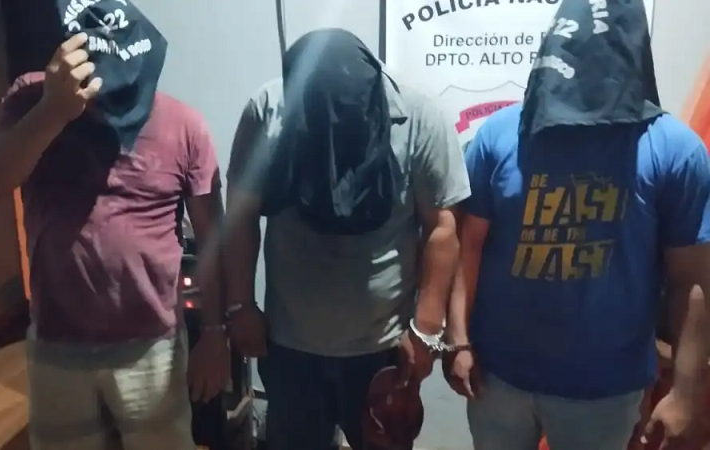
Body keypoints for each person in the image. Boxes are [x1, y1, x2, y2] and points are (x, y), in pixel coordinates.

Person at [444, 1, 710, 450]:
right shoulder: (502, 135)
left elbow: (693, 281)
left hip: (606, 390)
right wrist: (458, 341)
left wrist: (687, 393)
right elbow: (467, 245)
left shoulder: (673, 150)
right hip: (499, 379)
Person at [0, 2, 227, 449]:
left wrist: (216, 335)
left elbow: (213, 238)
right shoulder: (32, 98)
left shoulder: (183, 125)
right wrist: (53, 110)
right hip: (57, 345)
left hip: (151, 347)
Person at [222, 29, 470, 450]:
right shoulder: (271, 109)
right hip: (290, 345)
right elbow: (241, 215)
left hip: (385, 347)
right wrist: (239, 306)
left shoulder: (418, 117)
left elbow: (443, 227)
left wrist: (427, 328)